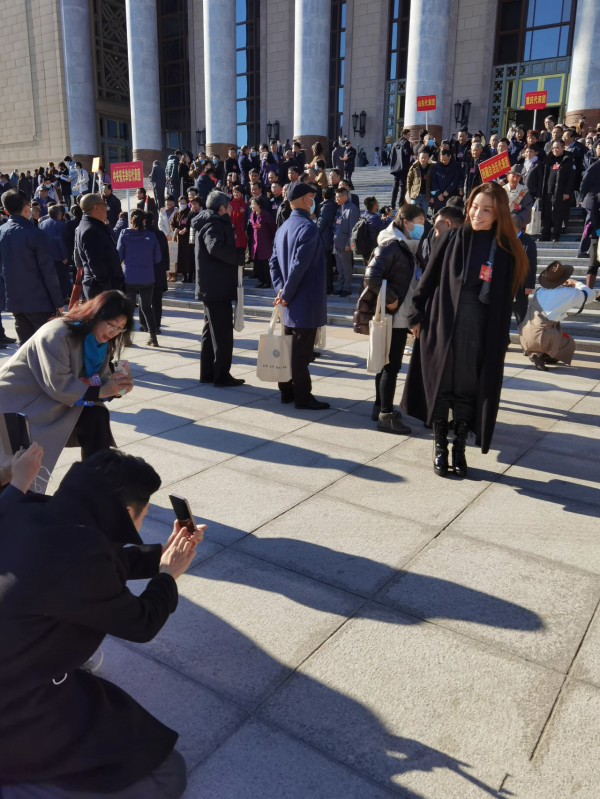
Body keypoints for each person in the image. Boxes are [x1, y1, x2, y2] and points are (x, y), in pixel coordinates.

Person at [0, 449, 200, 799]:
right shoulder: (81, 559)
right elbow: (141, 623)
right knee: (164, 775)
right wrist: (168, 576)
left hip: (17, 663)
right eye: (143, 512)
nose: (144, 519)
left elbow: (110, 560)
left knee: (115, 726)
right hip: (14, 703)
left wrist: (165, 555)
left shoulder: (28, 512)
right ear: (125, 513)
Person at [401, 181, 529, 477]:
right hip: (444, 323)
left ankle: (459, 448)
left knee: (467, 389)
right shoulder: (451, 239)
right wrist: (415, 317)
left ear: (499, 214)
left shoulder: (507, 249)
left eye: (487, 210)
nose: (478, 214)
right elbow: (427, 281)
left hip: (480, 329)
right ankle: (440, 448)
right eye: (474, 207)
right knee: (441, 387)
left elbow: (510, 296)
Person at [0, 291, 134, 476]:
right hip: (21, 401)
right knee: (14, 471)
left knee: (96, 415)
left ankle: (98, 480)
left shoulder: (99, 341)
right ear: (95, 315)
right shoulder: (58, 333)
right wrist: (103, 390)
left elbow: (100, 380)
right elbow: (59, 385)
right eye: (111, 324)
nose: (114, 332)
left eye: (120, 328)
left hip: (54, 400)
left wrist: (116, 388)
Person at [354, 204, 425, 435]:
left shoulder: (404, 245)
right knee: (391, 366)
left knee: (386, 364)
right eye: (420, 221)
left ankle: (379, 406)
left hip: (400, 314)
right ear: (406, 222)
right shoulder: (390, 245)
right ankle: (386, 414)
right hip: (394, 315)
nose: (422, 226)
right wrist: (392, 300)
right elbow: (371, 276)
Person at [270, 182, 329, 410]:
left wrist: (280, 291)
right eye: (313, 196)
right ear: (306, 199)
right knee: (301, 354)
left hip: (287, 302)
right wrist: (286, 292)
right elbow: (299, 265)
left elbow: (273, 263)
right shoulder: (309, 227)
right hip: (304, 301)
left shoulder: (282, 228)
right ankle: (303, 396)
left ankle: (286, 391)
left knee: (288, 349)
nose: (314, 200)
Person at [192, 190, 244, 387]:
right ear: (221, 208)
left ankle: (208, 373)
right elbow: (215, 247)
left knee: (210, 331)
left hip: (211, 285)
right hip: (217, 286)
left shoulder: (205, 221)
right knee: (222, 333)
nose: (230, 210)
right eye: (228, 207)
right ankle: (221, 375)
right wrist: (237, 256)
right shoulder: (215, 223)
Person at [0, 189, 64, 345]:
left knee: (26, 346)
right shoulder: (34, 233)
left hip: (14, 299)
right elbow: (48, 270)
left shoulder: (1, 232)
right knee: (47, 347)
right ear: (26, 207)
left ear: (6, 210)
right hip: (39, 300)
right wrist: (58, 302)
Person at [519, 261, 594, 370]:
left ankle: (539, 353)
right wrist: (576, 283)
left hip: (525, 334)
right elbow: (590, 296)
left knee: (551, 329)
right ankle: (541, 354)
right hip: (542, 336)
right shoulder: (569, 293)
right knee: (568, 342)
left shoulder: (540, 291)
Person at [117, 209, 162, 347]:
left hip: (130, 275)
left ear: (131, 220)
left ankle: (127, 338)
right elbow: (157, 258)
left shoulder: (124, 234)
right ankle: (153, 337)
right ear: (144, 221)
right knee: (147, 307)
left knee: (128, 309)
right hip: (147, 277)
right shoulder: (151, 236)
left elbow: (119, 255)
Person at [75, 193, 124, 299]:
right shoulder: (90, 229)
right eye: (104, 204)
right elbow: (96, 265)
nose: (107, 208)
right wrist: (109, 289)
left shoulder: (92, 224)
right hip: (101, 291)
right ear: (96, 207)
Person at [540, 139, 575, 242]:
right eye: (553, 148)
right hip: (548, 191)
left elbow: (571, 178)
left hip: (560, 192)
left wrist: (567, 192)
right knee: (547, 213)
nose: (555, 150)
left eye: (557, 148)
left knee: (557, 214)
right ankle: (545, 234)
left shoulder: (568, 160)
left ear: (563, 147)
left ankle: (555, 235)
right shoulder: (549, 159)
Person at [142, 212, 169, 335]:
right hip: (158, 271)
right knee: (157, 302)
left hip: (143, 272)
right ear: (152, 220)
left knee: (144, 300)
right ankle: (156, 326)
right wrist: (167, 269)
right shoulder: (159, 234)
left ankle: (145, 325)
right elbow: (165, 253)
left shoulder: (139, 234)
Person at [39, 204, 71, 300]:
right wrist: (65, 256)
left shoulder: (42, 223)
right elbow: (60, 240)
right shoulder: (61, 224)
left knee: (49, 277)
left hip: (46, 255)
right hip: (59, 257)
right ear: (59, 215)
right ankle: (62, 297)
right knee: (61, 278)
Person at [332, 186, 359, 298]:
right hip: (336, 242)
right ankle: (339, 286)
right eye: (336, 197)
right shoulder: (339, 208)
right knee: (339, 267)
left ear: (345, 196)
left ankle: (347, 288)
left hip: (345, 243)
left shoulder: (352, 209)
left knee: (346, 267)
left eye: (338, 197)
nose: (336, 199)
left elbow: (353, 229)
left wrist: (349, 244)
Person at [248, 196, 276, 288]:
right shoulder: (252, 215)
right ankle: (260, 281)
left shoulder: (266, 215)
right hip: (255, 243)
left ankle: (266, 282)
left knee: (264, 263)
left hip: (264, 242)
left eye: (254, 204)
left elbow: (272, 228)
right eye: (251, 204)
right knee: (257, 263)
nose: (252, 206)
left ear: (259, 205)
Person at [577, 155, 600, 259]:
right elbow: (584, 183)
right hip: (592, 201)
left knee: (597, 227)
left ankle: (593, 249)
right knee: (589, 225)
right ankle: (582, 250)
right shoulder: (595, 166)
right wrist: (581, 198)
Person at [316, 186, 337, 295]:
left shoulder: (326, 207)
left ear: (323, 196)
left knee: (326, 264)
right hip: (331, 237)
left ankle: (328, 286)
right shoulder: (335, 205)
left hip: (325, 239)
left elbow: (321, 224)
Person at [390, 128, 414, 210]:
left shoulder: (395, 143)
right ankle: (400, 204)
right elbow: (407, 153)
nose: (409, 137)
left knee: (395, 186)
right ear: (404, 135)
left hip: (395, 168)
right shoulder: (406, 143)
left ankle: (392, 204)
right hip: (403, 167)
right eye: (408, 135)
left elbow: (391, 155)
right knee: (403, 186)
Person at [170, 195, 192, 282]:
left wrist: (186, 230)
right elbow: (172, 224)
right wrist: (177, 230)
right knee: (181, 257)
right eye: (181, 203)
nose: (182, 205)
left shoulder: (189, 212)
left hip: (188, 238)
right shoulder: (176, 213)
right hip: (179, 239)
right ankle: (183, 275)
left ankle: (190, 275)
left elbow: (191, 223)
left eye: (184, 203)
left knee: (188, 256)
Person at [360, 196, 387, 263]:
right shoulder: (374, 218)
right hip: (372, 249)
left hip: (364, 248)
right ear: (374, 206)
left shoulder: (362, 216)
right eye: (377, 204)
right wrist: (388, 218)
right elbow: (385, 229)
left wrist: (382, 220)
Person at [406, 148, 432, 216]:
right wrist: (410, 193)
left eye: (425, 158)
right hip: (416, 195)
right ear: (418, 158)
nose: (423, 159)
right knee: (413, 215)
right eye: (422, 158)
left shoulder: (431, 168)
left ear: (428, 158)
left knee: (423, 215)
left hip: (425, 196)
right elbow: (409, 180)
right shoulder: (414, 167)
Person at [230, 184, 248, 267]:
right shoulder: (229, 205)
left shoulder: (245, 205)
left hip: (242, 232)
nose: (235, 194)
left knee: (241, 252)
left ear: (241, 193)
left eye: (237, 192)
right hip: (232, 232)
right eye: (234, 192)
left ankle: (241, 273)